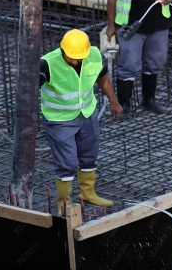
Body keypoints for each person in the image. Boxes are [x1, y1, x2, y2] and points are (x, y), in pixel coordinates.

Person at [40, 29, 123, 215]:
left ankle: (87, 193)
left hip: (87, 114)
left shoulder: (92, 54)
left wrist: (114, 101)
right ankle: (64, 204)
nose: (75, 61)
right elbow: (29, 87)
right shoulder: (47, 63)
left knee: (89, 155)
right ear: (62, 50)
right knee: (67, 163)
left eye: (79, 58)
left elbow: (102, 77)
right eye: (71, 57)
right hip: (59, 119)